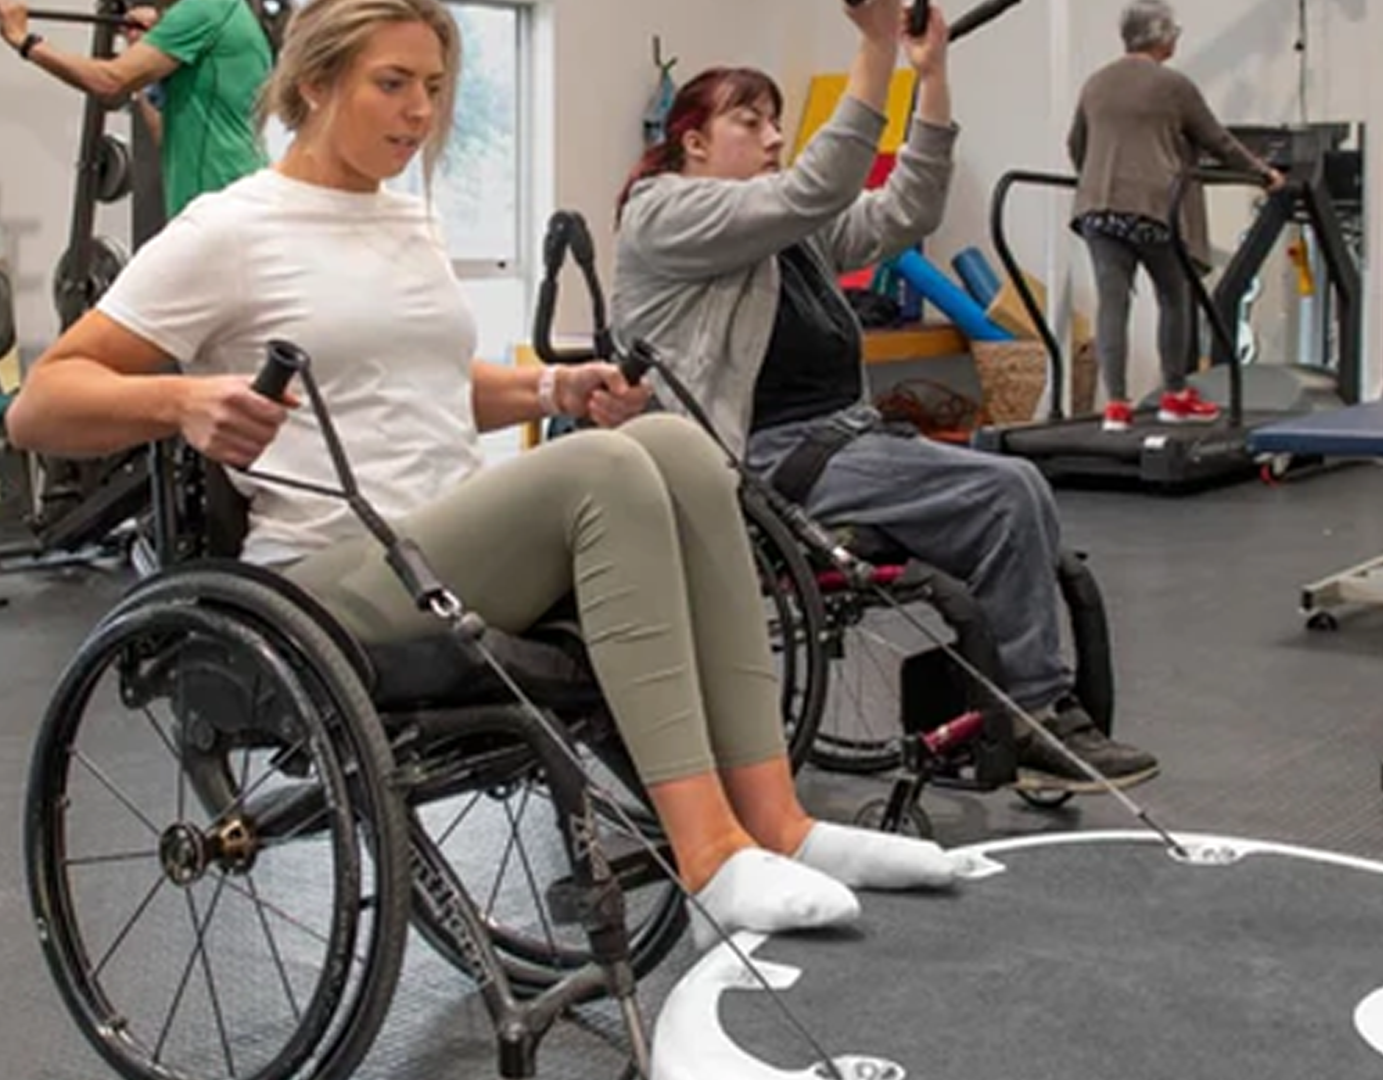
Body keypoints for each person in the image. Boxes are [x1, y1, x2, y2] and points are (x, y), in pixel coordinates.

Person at [1, 0, 958, 952]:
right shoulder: (231, 228)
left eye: (432, 87)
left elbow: (425, 386)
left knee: (676, 449)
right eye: (392, 84)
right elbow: (40, 405)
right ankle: (708, 855)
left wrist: (552, 386)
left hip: (439, 540)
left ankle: (782, 826)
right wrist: (181, 403)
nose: (419, 111)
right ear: (314, 83)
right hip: (329, 575)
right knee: (606, 476)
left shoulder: (404, 219)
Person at [611, 0, 1159, 788]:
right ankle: (1035, 713)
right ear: (692, 141)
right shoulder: (663, 211)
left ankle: (995, 709)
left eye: (777, 121)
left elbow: (908, 210)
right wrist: (873, 46)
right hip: (756, 463)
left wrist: (930, 77)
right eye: (750, 121)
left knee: (1011, 491)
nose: (774, 136)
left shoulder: (785, 233)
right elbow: (818, 184)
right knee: (1008, 492)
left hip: (846, 438)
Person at [1069, 0, 1287, 432]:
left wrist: (1097, 183)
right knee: (1175, 295)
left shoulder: (1095, 84)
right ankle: (1175, 395)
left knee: (1112, 303)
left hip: (1097, 209)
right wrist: (1264, 174)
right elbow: (1219, 141)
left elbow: (1076, 144)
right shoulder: (1173, 86)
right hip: (1154, 207)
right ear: (1164, 37)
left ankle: (1115, 405)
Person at [1, 0, 271, 217]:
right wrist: (141, 58)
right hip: (224, 197)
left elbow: (110, 81)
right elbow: (163, 137)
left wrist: (23, 40)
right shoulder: (226, 12)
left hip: (221, 202)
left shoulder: (203, 9)